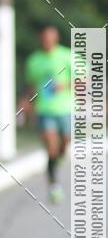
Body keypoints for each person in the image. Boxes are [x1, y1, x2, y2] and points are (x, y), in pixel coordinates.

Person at [23, 25, 72, 203]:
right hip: (44, 110)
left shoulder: (68, 56)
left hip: (66, 108)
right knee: (51, 146)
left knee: (65, 141)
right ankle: (54, 185)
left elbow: (84, 78)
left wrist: (65, 86)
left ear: (56, 38)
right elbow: (31, 86)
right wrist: (27, 101)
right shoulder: (34, 61)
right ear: (40, 39)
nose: (47, 41)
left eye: (51, 38)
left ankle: (57, 158)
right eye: (44, 38)